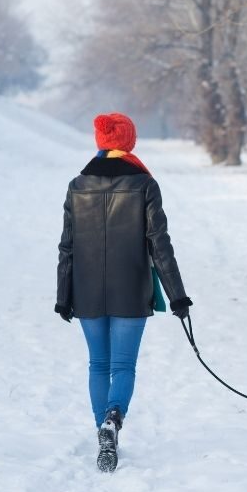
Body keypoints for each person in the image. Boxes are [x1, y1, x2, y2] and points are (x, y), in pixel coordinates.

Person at [55, 112, 192, 473]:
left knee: (98, 364)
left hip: (85, 290)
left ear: (101, 141)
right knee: (123, 366)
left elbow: (67, 246)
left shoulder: (77, 185)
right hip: (131, 288)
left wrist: (62, 294)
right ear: (128, 141)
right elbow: (159, 244)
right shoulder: (145, 185)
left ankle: (104, 430)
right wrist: (177, 295)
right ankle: (112, 422)